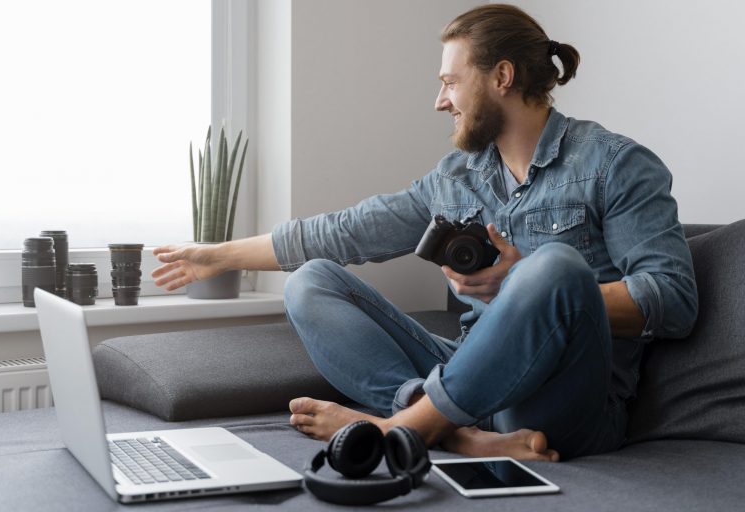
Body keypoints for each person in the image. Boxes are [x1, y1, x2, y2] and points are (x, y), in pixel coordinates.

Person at [152, 4, 697, 461]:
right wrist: (218, 257)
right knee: (312, 281)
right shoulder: (457, 177)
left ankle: (405, 427)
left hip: (566, 401)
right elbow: (346, 232)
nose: (441, 101)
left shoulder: (614, 164)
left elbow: (672, 299)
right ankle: (455, 431)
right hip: (470, 377)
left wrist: (523, 285)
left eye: (450, 82)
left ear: (501, 77)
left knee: (553, 267)